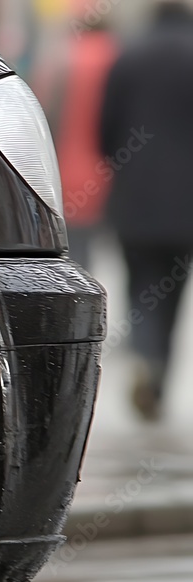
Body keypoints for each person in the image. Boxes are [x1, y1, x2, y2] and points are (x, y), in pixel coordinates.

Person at [100, 1, 193, 421]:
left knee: (141, 285)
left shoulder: (129, 54)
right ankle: (158, 376)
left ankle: (144, 352)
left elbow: (106, 130)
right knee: (174, 291)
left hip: (136, 196)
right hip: (186, 204)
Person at [52, 15, 119, 272]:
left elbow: (48, 115)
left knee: (73, 251)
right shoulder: (117, 55)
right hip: (108, 173)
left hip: (67, 171)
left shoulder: (64, 57)